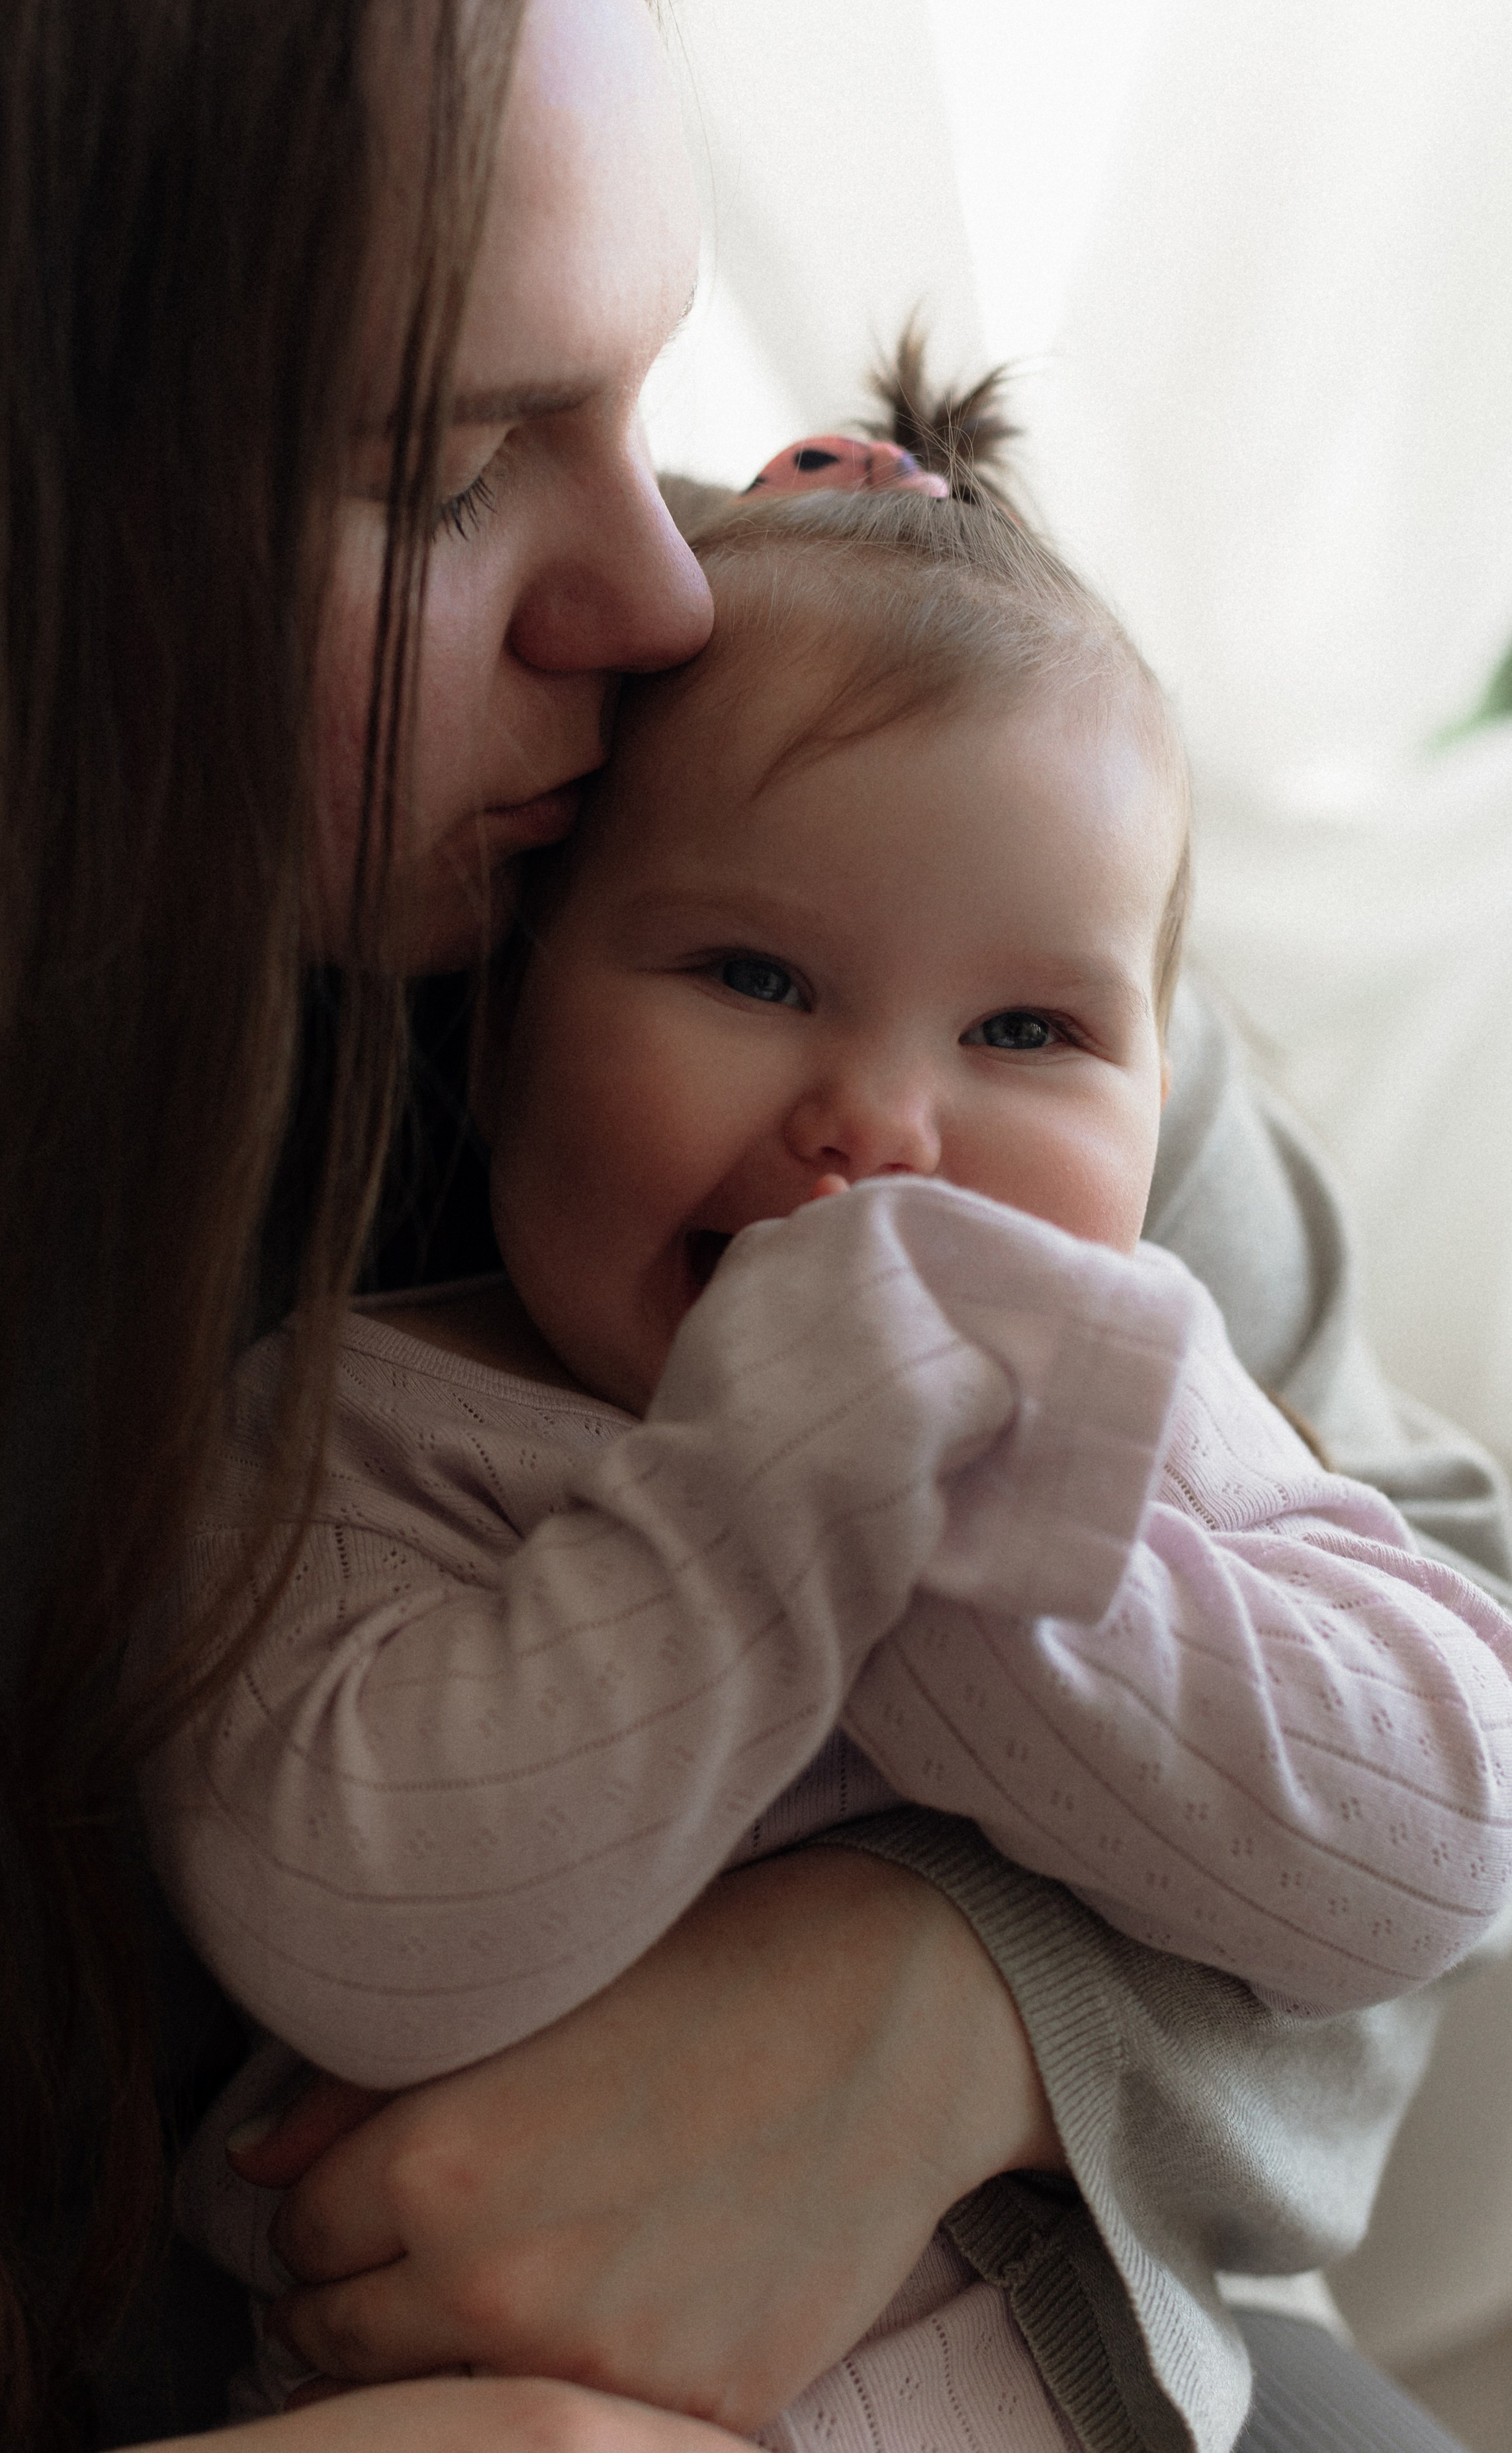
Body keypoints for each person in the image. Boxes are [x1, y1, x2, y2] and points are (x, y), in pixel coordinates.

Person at [0, 0, 1505, 2451]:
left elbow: (1445, 1681)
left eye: (642, 390)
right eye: (447, 469)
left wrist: (944, 2013)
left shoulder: (841, 803)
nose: (665, 586)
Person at [149, 389, 1512, 2449]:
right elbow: (363, 1939)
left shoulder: (1147, 1383)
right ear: (501, 1021)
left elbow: (1445, 1829)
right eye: (754, 981)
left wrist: (1007, 1586)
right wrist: (774, 1511)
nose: (884, 1124)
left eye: (1032, 1033)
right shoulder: (375, 1431)